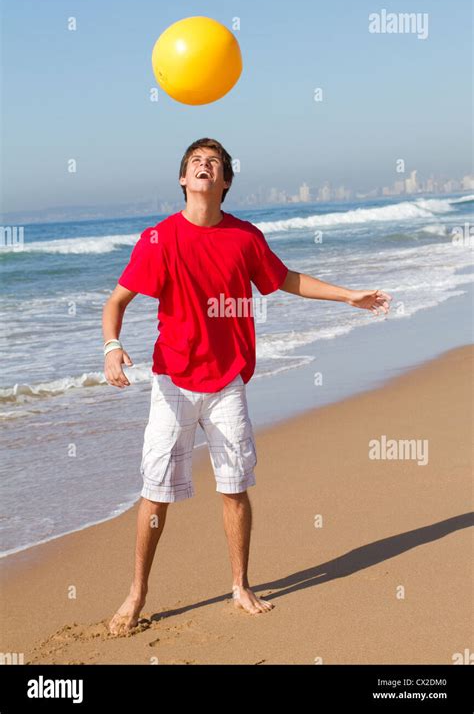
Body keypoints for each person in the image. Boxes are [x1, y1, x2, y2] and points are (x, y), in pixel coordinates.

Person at [103, 137, 391, 635]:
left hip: (227, 383)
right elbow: (117, 301)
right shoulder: (159, 239)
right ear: (182, 179)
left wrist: (348, 296)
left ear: (225, 182)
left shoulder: (244, 238)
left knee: (235, 487)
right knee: (156, 492)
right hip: (172, 383)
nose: (203, 166)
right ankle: (136, 592)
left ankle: (240, 585)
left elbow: (284, 279)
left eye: (213, 163)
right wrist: (111, 347)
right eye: (195, 161)